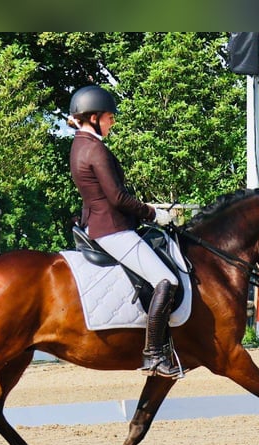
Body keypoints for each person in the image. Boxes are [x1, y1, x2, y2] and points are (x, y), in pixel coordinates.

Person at [68, 85, 180, 378]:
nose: (112, 123)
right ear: (93, 117)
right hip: (113, 229)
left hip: (98, 223)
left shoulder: (79, 145)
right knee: (166, 280)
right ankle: (154, 354)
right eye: (108, 117)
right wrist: (154, 213)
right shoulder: (95, 149)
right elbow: (117, 198)